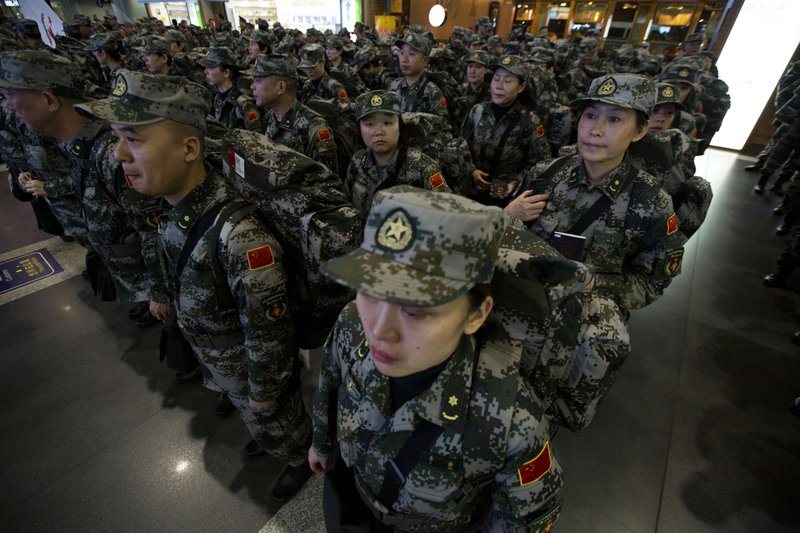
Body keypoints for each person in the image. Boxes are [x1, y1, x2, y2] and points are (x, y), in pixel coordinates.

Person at [76, 69, 314, 500]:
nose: (119, 155)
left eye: (134, 139)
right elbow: (171, 259)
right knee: (252, 414)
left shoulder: (239, 237)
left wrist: (264, 392)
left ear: (189, 148)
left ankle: (297, 456)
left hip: (250, 369)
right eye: (116, 139)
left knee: (276, 421)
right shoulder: (173, 204)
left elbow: (269, 332)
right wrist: (165, 296)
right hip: (218, 353)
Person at [309, 186, 564, 531]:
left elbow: (521, 523)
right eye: (370, 293)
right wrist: (321, 444)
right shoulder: (352, 324)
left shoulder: (511, 424)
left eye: (414, 311)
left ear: (475, 315)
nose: (380, 330)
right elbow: (330, 382)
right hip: (351, 499)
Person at [0, 50, 168, 325]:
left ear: (49, 100)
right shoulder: (78, 147)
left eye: (12, 96)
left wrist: (159, 291)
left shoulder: (110, 153)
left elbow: (154, 228)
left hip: (157, 283)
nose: (8, 107)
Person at [505, 73, 686, 317]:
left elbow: (651, 282)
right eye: (590, 116)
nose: (595, 130)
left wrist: (593, 285)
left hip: (586, 316)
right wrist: (507, 216)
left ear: (640, 130)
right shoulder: (545, 174)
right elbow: (510, 241)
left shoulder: (652, 201)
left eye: (613, 119)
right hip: (524, 304)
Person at [461, 54, 550, 207]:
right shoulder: (477, 111)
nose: (499, 85)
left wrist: (513, 184)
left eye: (508, 81)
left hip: (504, 200)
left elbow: (540, 164)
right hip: (470, 191)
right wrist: (472, 170)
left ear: (521, 87)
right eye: (496, 78)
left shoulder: (530, 121)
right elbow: (461, 144)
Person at [345, 90, 449, 215]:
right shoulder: (358, 161)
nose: (379, 132)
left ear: (400, 126)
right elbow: (347, 204)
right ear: (359, 129)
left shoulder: (423, 168)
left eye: (387, 123)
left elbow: (447, 216)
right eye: (370, 124)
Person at [247, 53, 339, 172]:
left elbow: (328, 184)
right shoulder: (270, 117)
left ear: (281, 87)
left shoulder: (314, 127)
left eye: (258, 80)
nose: (252, 86)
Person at [389, 33, 449, 120]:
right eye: (402, 53)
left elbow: (441, 128)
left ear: (425, 60)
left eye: (411, 54)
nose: (404, 59)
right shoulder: (393, 86)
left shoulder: (432, 93)